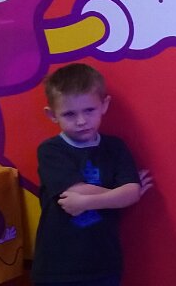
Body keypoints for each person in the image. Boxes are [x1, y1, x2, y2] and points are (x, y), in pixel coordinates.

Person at [32, 64, 146, 286]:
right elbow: (77, 190)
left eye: (89, 110)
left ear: (104, 105)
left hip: (104, 264)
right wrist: (120, 194)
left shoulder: (115, 148)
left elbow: (131, 193)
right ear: (52, 115)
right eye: (69, 114)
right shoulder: (51, 150)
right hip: (57, 268)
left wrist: (85, 202)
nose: (81, 121)